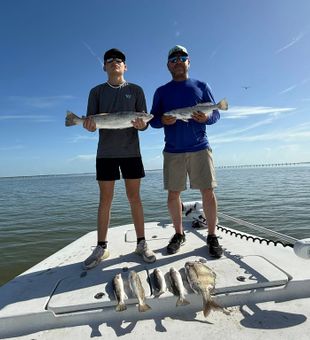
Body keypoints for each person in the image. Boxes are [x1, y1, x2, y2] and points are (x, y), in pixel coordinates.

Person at [82, 48, 156, 269]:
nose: (115, 62)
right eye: (110, 60)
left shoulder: (136, 90)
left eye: (119, 60)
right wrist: (86, 124)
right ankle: (101, 247)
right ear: (104, 66)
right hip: (105, 153)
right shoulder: (96, 92)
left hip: (131, 152)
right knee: (105, 199)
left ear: (125, 66)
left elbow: (144, 123)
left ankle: (141, 243)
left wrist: (144, 124)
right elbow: (91, 124)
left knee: (135, 197)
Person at [150, 45, 223, 258]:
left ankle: (211, 235)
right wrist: (162, 120)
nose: (178, 61)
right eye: (174, 59)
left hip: (200, 147)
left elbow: (216, 114)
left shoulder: (202, 86)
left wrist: (207, 118)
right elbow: (153, 120)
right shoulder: (161, 91)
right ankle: (179, 234)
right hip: (173, 150)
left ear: (189, 62)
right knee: (173, 194)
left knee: (208, 192)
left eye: (182, 58)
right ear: (168, 66)